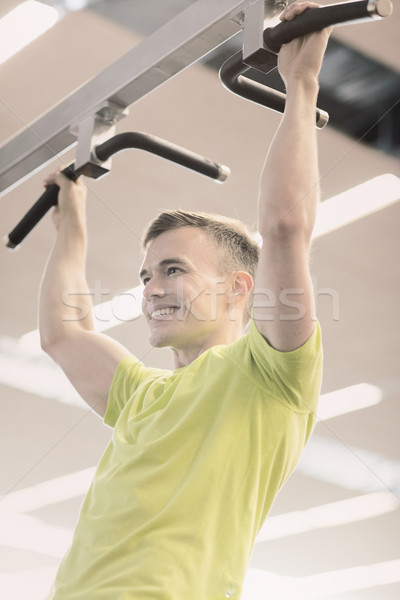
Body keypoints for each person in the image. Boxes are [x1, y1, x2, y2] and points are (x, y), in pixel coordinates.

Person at [40, 3, 330, 598]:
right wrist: (73, 220)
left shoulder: (270, 374)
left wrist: (301, 85)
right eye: (146, 276)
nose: (150, 290)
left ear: (237, 289)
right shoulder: (140, 395)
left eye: (173, 270)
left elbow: (282, 226)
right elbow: (63, 333)